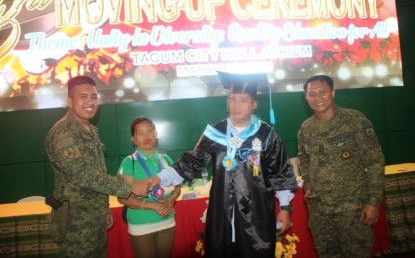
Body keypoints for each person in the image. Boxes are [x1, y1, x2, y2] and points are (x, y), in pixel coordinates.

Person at [144, 71, 298, 257]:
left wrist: (284, 208)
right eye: (232, 99)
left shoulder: (266, 135)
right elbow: (190, 163)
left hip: (256, 215)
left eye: (243, 100)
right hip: (221, 213)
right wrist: (159, 178)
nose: (236, 105)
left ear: (254, 103)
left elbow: (281, 173)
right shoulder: (215, 132)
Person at [44, 75, 151, 257]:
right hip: (75, 225)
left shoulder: (90, 130)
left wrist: (103, 208)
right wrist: (130, 186)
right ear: (69, 101)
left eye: (94, 96)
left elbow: (97, 173)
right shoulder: (63, 133)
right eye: (83, 97)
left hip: (94, 220)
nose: (90, 102)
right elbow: (84, 175)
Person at [297, 74, 385, 258]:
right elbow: (303, 159)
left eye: (323, 92)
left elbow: (375, 161)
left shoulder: (355, 120)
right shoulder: (306, 128)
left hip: (352, 209)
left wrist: (373, 201)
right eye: (312, 94)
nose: (317, 98)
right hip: (320, 211)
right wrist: (308, 186)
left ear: (333, 92)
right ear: (306, 97)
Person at [117, 116, 181, 258]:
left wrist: (172, 199)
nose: (146, 136)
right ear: (133, 139)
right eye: (140, 133)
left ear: (156, 134)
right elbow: (122, 198)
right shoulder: (129, 162)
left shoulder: (166, 159)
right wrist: (153, 206)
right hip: (141, 225)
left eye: (150, 131)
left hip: (167, 221)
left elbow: (178, 186)